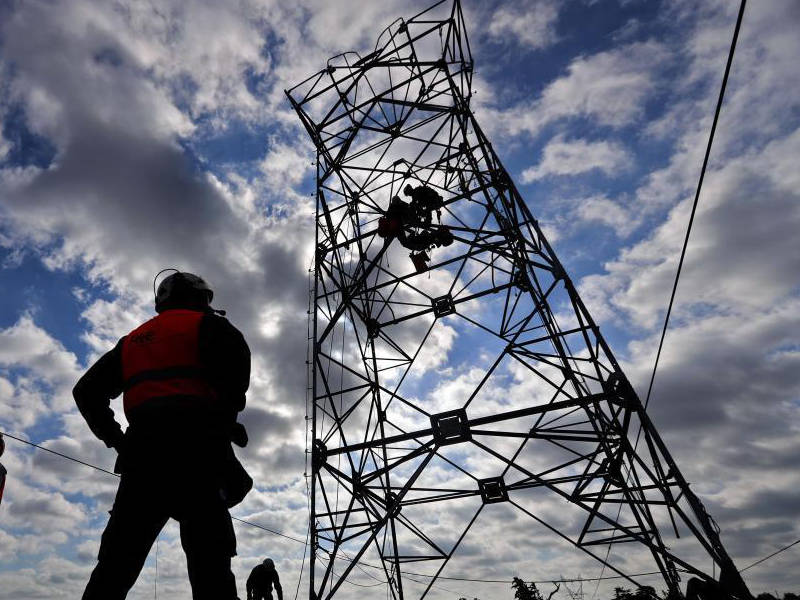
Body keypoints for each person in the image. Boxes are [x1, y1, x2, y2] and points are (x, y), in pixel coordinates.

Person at [74, 271, 252, 600]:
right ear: (201, 298)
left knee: (114, 569)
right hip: (199, 459)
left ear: (162, 302)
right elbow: (233, 389)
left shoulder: (131, 342)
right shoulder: (214, 328)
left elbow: (86, 391)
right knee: (211, 568)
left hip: (142, 461)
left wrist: (119, 440)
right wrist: (224, 426)